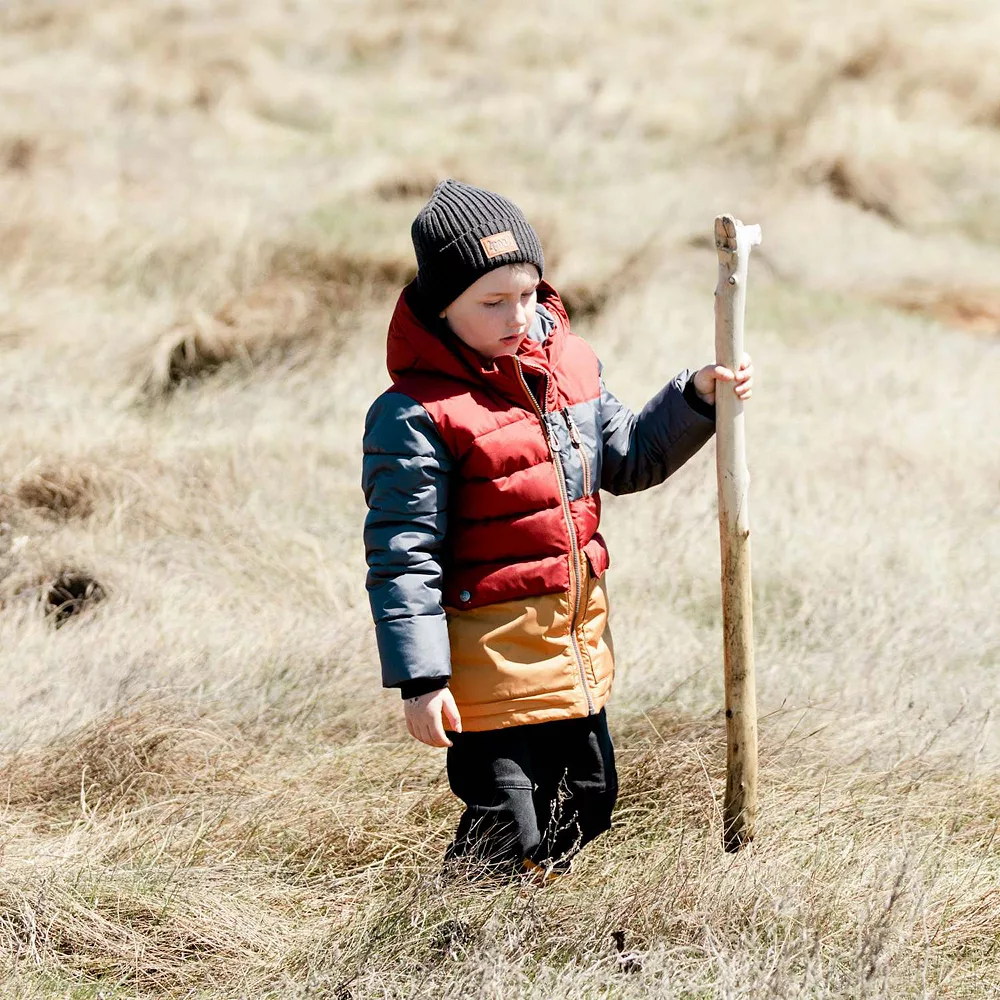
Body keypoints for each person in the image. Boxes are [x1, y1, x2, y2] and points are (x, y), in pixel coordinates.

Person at [361, 179, 753, 884]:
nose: (518, 315)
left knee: (593, 801)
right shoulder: (416, 413)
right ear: (441, 307)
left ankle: (527, 902)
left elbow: (630, 458)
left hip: (572, 646)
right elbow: (402, 555)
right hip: (487, 664)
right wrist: (421, 681)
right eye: (491, 302)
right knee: (506, 819)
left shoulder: (570, 367)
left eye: (527, 292)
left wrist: (695, 400)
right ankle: (454, 931)